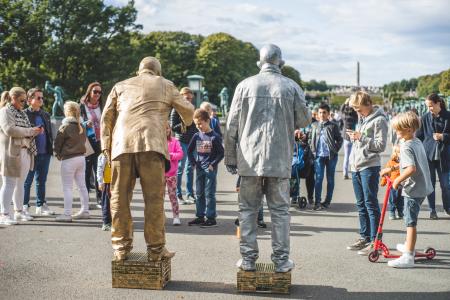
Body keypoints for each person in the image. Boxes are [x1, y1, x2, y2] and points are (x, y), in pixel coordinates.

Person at [225, 44, 311, 272]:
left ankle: (248, 259)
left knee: (248, 211)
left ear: (259, 62)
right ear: (280, 62)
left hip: (249, 160)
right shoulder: (291, 86)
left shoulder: (244, 86)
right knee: (280, 212)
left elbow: (231, 126)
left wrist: (231, 157)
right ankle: (281, 261)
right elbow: (304, 120)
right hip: (279, 160)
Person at [101, 57, 194, 261]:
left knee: (119, 198)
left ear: (139, 71)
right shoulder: (165, 84)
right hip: (152, 145)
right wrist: (186, 124)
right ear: (158, 72)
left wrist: (105, 148)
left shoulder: (120, 85)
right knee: (153, 200)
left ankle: (121, 248)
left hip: (121, 146)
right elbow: (188, 110)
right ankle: (156, 250)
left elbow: (106, 118)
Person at [387, 111, 433, 268]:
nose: (396, 132)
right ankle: (409, 246)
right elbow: (413, 163)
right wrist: (392, 168)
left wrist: (398, 180)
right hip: (423, 187)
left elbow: (411, 168)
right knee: (410, 219)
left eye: (398, 129)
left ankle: (408, 256)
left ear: (407, 129)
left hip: (413, 190)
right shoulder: (416, 141)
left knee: (410, 222)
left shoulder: (406, 146)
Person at [346, 91, 388, 255]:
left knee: (370, 203)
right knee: (361, 204)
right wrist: (355, 138)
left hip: (369, 166)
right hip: (356, 165)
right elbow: (363, 141)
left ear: (367, 104)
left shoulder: (379, 120)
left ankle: (375, 240)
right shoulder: (363, 118)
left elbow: (380, 145)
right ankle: (365, 237)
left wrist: (361, 137)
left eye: (358, 108)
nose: (357, 112)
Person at [0, 87, 42, 225]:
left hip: (24, 151)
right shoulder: (5, 111)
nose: (24, 103)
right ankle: (4, 214)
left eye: (25, 101)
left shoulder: (21, 113)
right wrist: (30, 130)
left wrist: (34, 131)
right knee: (9, 183)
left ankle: (18, 212)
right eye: (21, 100)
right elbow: (9, 129)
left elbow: (23, 131)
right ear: (13, 98)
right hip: (10, 152)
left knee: (20, 184)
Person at [54, 101, 90, 222]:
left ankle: (67, 214)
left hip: (69, 159)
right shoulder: (81, 126)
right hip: (81, 158)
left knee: (67, 188)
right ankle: (85, 211)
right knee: (82, 186)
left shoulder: (65, 126)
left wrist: (57, 155)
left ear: (67, 112)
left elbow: (57, 143)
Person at [187, 109, 224, 228]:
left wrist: (213, 163)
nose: (198, 126)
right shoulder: (197, 135)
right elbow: (189, 150)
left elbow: (221, 153)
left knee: (209, 193)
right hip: (199, 169)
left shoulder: (215, 137)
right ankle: (200, 216)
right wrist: (194, 163)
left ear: (207, 121)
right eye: (196, 124)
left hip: (210, 170)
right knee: (199, 193)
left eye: (200, 123)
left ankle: (211, 218)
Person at [416, 93, 450, 219]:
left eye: (430, 106)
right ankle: (432, 210)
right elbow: (419, 136)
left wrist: (443, 136)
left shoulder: (448, 116)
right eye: (427, 106)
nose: (429, 108)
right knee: (430, 185)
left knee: (445, 185)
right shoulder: (424, 118)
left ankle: (447, 208)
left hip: (444, 156)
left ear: (438, 103)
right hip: (428, 156)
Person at [23, 88, 55, 216]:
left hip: (45, 153)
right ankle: (24, 206)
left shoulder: (45, 115)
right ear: (30, 100)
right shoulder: (24, 114)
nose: (41, 100)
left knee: (41, 180)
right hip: (30, 153)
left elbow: (49, 134)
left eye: (42, 98)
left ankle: (40, 205)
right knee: (27, 181)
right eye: (38, 98)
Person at [309, 103, 343, 210]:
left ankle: (327, 201)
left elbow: (340, 139)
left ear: (328, 114)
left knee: (330, 179)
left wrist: (335, 149)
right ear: (318, 114)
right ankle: (317, 202)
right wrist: (312, 148)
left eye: (324, 112)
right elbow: (310, 138)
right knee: (318, 178)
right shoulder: (314, 125)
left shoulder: (333, 126)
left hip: (331, 157)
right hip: (318, 156)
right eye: (320, 112)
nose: (322, 114)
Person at [170, 87, 198, 205]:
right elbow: (172, 127)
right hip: (181, 141)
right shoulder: (176, 110)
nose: (189, 101)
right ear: (181, 97)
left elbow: (196, 126)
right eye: (187, 98)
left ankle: (190, 194)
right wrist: (184, 124)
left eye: (191, 98)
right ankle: (178, 195)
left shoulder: (193, 109)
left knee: (190, 169)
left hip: (192, 142)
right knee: (180, 169)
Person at [80, 82, 103, 206]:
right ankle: (85, 198)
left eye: (100, 92)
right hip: (87, 141)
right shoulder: (82, 106)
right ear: (89, 92)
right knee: (86, 171)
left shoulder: (102, 106)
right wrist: (84, 123)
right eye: (95, 91)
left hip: (100, 141)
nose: (98, 94)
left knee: (99, 170)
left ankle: (100, 198)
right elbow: (76, 122)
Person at [165, 122, 184, 226]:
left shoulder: (174, 141)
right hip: (159, 174)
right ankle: (160, 216)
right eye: (163, 129)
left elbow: (180, 154)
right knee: (158, 197)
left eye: (167, 128)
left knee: (173, 196)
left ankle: (176, 217)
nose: (165, 131)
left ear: (170, 129)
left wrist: (170, 155)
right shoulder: (157, 142)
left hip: (171, 174)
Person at [380, 144, 404, 220]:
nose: (401, 154)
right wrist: (383, 182)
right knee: (392, 199)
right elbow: (386, 173)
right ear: (395, 153)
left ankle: (400, 212)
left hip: (401, 183)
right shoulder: (391, 162)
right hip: (392, 184)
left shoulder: (404, 161)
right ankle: (392, 212)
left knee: (401, 199)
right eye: (399, 152)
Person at [340, 98, 358, 179]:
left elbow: (341, 110)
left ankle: (345, 172)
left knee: (346, 156)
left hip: (346, 137)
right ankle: (355, 172)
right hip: (353, 136)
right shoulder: (354, 116)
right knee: (354, 155)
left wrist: (345, 103)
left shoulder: (344, 116)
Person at [97, 152, 112, 231]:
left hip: (116, 182)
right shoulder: (103, 155)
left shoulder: (117, 152)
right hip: (107, 183)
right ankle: (106, 222)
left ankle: (114, 221)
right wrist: (100, 182)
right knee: (106, 204)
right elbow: (99, 169)